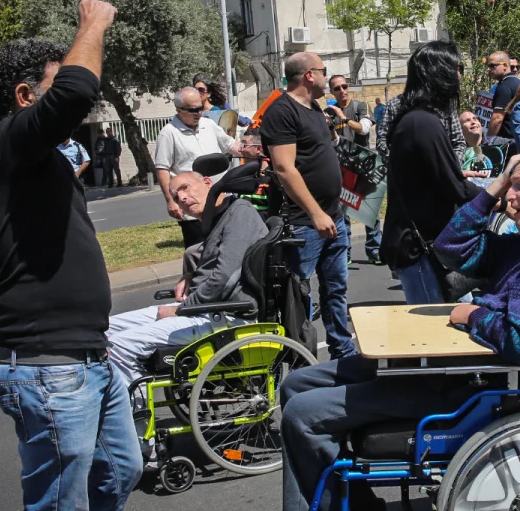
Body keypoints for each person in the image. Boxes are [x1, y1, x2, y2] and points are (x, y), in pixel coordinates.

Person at [245, 152, 520, 511]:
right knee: (298, 383)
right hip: (449, 366)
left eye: (519, 186)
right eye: (510, 187)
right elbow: (451, 248)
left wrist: (473, 316)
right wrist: (492, 188)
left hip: (471, 389)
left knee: (304, 416)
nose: (510, 197)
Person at [0, 0, 143, 511]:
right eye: (43, 87)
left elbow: (68, 96)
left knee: (121, 472)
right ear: (22, 97)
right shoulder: (1, 145)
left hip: (88, 358)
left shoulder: (28, 155)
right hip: (47, 370)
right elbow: (74, 91)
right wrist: (91, 23)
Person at [106, 171, 265, 392]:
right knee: (105, 329)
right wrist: (190, 275)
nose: (181, 198)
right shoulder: (218, 219)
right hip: (205, 310)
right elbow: (204, 256)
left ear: (208, 182)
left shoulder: (240, 213)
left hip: (226, 316)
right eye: (175, 195)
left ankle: (136, 415)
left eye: (185, 188)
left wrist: (182, 309)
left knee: (121, 345)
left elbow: (224, 278)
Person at [261, 51, 355, 359]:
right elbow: (284, 168)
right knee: (298, 294)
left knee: (336, 291)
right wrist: (315, 213)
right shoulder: (281, 111)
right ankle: (300, 358)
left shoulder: (316, 107)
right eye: (324, 71)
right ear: (309, 75)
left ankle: (343, 352)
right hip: (304, 223)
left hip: (334, 218)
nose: (329, 78)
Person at [380, 41, 481, 303]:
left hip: (429, 245)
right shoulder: (422, 122)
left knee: (455, 322)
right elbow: (456, 187)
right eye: (456, 68)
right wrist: (499, 195)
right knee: (435, 334)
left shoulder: (421, 118)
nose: (459, 75)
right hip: (419, 249)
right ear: (440, 72)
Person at [154, 86, 242, 248]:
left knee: (226, 249)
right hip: (194, 210)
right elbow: (162, 169)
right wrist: (170, 201)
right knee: (199, 254)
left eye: (200, 107)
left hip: (221, 202)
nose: (199, 113)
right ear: (179, 110)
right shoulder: (168, 133)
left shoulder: (208, 125)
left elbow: (231, 146)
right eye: (193, 110)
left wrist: (253, 148)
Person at [327, 74, 382, 264]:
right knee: (344, 210)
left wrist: (343, 118)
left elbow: (364, 129)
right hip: (340, 166)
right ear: (331, 91)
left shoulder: (360, 106)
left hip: (363, 163)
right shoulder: (329, 112)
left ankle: (374, 249)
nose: (342, 90)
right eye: (337, 88)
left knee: (369, 209)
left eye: (344, 86)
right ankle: (346, 252)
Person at [480, 51, 520, 138]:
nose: (488, 69)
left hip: (508, 141)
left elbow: (497, 118)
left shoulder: (504, 87)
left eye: (492, 66)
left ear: (505, 66)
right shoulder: (519, 83)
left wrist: (488, 140)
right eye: (488, 66)